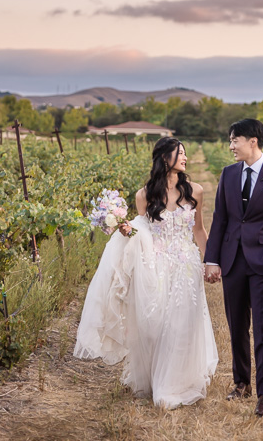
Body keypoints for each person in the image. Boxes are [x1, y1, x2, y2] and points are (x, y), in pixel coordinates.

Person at [74, 137, 218, 408]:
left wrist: (211, 261)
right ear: (165, 158)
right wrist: (129, 231)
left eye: (186, 153)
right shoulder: (144, 195)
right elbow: (145, 232)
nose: (185, 158)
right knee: (157, 324)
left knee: (183, 323)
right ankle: (157, 378)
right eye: (180, 153)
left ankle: (174, 384)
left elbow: (198, 230)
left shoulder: (195, 191)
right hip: (157, 264)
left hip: (186, 263)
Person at [204, 119, 263, 418]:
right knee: (236, 327)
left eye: (235, 140)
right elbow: (220, 220)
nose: (231, 146)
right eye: (230, 140)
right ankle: (242, 383)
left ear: (253, 142)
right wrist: (212, 259)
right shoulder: (228, 174)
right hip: (233, 261)